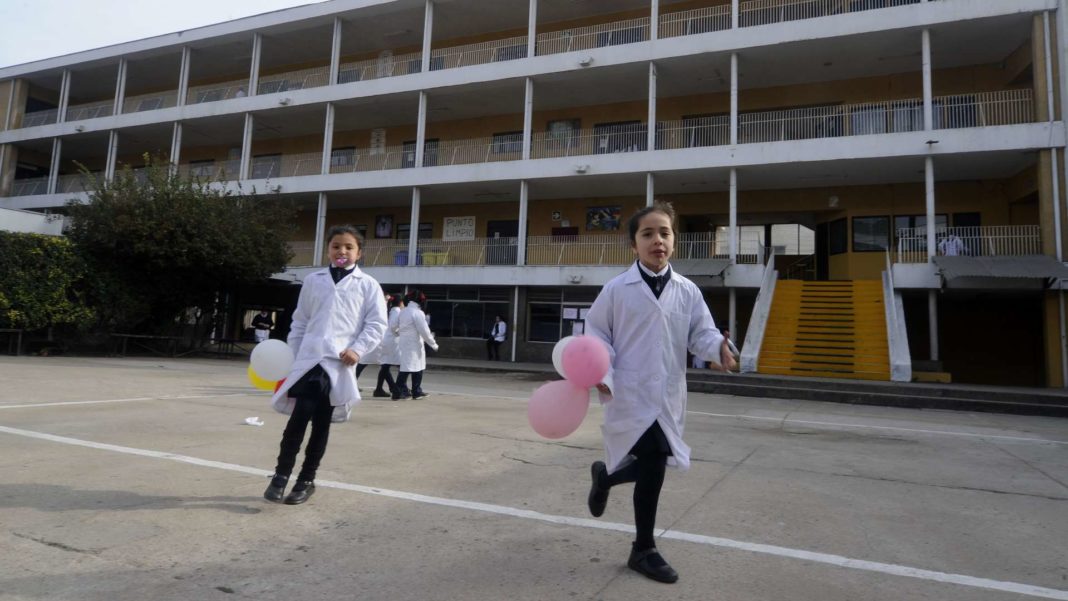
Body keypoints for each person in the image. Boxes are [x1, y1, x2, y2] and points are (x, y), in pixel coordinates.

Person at [583, 201, 736, 584]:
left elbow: (701, 332)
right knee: (654, 460)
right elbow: (596, 333)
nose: (657, 240)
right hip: (629, 391)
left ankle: (605, 479)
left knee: (655, 460)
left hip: (667, 392)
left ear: (674, 241)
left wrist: (717, 348)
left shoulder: (687, 291)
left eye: (664, 233)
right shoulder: (617, 289)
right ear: (634, 244)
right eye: (647, 233)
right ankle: (644, 549)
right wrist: (600, 369)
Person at [264, 225, 387, 505]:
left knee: (321, 422)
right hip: (309, 360)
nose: (341, 252)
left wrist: (358, 349)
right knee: (300, 416)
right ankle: (281, 475)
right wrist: (292, 356)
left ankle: (306, 479)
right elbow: (301, 321)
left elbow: (377, 323)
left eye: (348, 247)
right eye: (336, 246)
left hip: (338, 363)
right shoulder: (313, 280)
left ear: (359, 253)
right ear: (328, 250)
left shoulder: (368, 285)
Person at [356, 293, 403, 398]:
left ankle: (385, 388)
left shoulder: (389, 310)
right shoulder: (395, 312)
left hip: (379, 340)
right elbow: (393, 327)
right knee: (386, 365)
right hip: (381, 340)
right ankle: (396, 388)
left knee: (381, 364)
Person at [394, 289, 438, 400]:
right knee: (413, 368)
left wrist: (401, 333)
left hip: (404, 342)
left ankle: (414, 391)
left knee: (409, 367)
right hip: (414, 344)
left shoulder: (403, 311)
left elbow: (394, 327)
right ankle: (405, 392)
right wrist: (433, 344)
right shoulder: (417, 313)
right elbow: (424, 331)